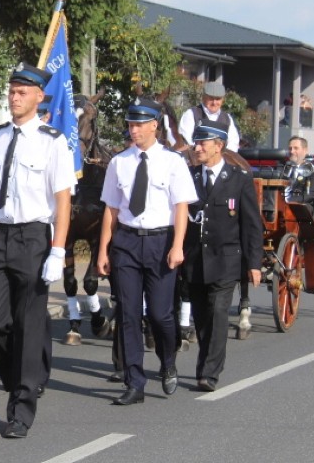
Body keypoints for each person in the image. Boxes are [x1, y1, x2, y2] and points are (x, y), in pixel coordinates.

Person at [0, 62, 76, 439]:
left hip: (33, 238)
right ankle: (18, 378)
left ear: (38, 97)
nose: (15, 97)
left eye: (23, 92)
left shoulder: (52, 141)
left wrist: (58, 251)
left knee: (29, 324)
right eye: (12, 91)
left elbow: (63, 201)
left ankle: (22, 409)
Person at [96, 97, 198, 406]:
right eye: (130, 123)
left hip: (160, 242)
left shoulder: (173, 162)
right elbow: (111, 211)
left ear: (154, 125)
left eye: (139, 124)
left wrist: (178, 245)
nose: (134, 129)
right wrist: (103, 251)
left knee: (160, 314)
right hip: (126, 242)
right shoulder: (119, 162)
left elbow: (180, 207)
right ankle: (134, 382)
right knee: (128, 315)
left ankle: (168, 361)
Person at [182, 121, 262, 392]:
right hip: (195, 259)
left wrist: (254, 264)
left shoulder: (239, 180)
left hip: (226, 259)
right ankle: (207, 363)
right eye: (196, 142)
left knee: (218, 312)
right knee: (202, 316)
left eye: (203, 143)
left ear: (219, 146)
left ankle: (209, 373)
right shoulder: (188, 177)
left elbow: (251, 225)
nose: (197, 147)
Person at [177, 81, 241, 152]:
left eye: (218, 99)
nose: (214, 102)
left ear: (223, 100)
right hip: (196, 158)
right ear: (203, 97)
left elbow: (233, 142)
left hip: (221, 158)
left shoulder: (227, 118)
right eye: (211, 98)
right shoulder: (191, 114)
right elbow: (186, 140)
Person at [284, 136, 314, 206]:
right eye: (290, 148)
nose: (292, 151)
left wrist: (287, 200)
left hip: (301, 207)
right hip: (279, 204)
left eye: (296, 148)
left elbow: (310, 195)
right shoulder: (282, 167)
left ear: (305, 150)